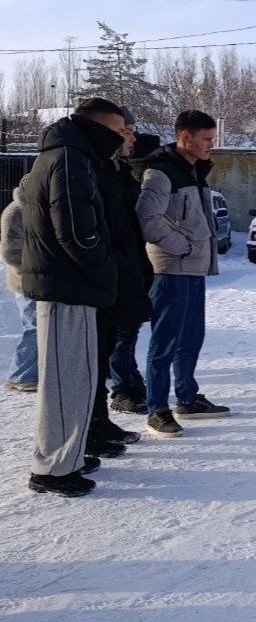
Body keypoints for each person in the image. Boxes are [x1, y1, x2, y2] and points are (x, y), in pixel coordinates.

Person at [21, 98, 125, 496]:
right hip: (68, 287)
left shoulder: (67, 155)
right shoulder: (69, 159)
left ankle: (68, 455)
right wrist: (104, 268)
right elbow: (77, 233)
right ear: (97, 127)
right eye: (117, 132)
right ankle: (52, 469)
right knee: (67, 383)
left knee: (73, 380)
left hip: (68, 285)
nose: (119, 140)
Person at [137, 110, 228, 438]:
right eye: (206, 139)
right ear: (184, 137)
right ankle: (156, 408)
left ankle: (187, 398)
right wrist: (186, 247)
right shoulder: (161, 172)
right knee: (165, 342)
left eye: (212, 139)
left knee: (191, 338)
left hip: (192, 271)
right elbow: (148, 219)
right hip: (172, 270)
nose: (211, 145)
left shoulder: (194, 170)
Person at [86, 106, 150, 454]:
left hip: (120, 281)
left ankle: (100, 421)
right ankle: (91, 427)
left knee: (108, 351)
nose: (132, 138)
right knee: (96, 360)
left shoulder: (116, 170)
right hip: (101, 285)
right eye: (126, 131)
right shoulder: (92, 170)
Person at [109, 131, 162, 414]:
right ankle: (122, 388)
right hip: (122, 269)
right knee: (121, 334)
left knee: (126, 333)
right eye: (124, 133)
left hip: (134, 266)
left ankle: (130, 382)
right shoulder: (120, 178)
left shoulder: (127, 177)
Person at [2, 174, 37, 392]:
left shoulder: (33, 210)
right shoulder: (15, 213)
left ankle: (26, 373)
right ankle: (21, 375)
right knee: (33, 327)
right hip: (25, 280)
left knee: (35, 327)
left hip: (35, 278)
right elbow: (9, 252)